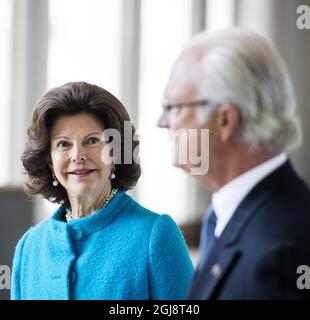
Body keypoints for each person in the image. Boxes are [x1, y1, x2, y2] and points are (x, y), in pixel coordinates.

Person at [157, 28, 310, 299]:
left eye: (174, 107)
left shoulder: (283, 252)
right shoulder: (226, 212)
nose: (163, 122)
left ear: (225, 120)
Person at [11, 81, 194, 300]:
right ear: (50, 161)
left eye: (91, 141)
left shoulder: (156, 235)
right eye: (63, 144)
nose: (77, 155)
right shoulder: (29, 248)